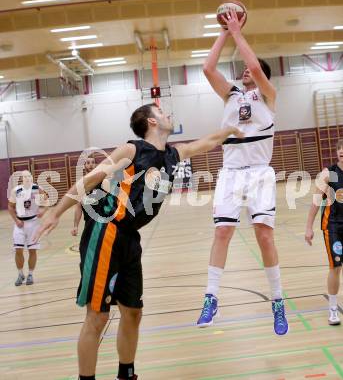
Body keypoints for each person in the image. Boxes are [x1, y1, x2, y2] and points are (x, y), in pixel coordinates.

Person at [34, 103, 243, 380]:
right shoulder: (131, 150)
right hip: (106, 231)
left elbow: (206, 142)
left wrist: (232, 128)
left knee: (133, 312)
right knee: (97, 317)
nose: (168, 114)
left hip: (130, 238)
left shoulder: (171, 154)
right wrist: (55, 211)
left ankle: (127, 374)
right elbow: (91, 178)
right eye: (162, 112)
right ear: (151, 122)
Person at [196, 8, 288, 336]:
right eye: (246, 73)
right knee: (222, 233)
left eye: (252, 72)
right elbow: (207, 68)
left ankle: (277, 300)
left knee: (264, 233)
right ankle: (211, 297)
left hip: (259, 173)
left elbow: (252, 65)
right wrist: (223, 31)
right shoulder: (232, 96)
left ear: (261, 76)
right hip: (231, 172)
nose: (246, 74)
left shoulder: (269, 96)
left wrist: (238, 30)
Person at [305, 139, 343, 326]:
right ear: (336, 153)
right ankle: (333, 309)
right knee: (336, 267)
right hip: (333, 227)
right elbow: (315, 202)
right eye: (339, 149)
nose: (341, 151)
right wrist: (308, 227)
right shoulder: (329, 174)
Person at [8, 170, 47, 286]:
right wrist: (16, 220)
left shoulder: (37, 188)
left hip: (33, 223)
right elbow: (10, 207)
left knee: (32, 250)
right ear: (21, 178)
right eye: (24, 177)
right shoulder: (16, 190)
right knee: (18, 250)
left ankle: (30, 274)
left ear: (31, 177)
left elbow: (47, 201)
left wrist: (43, 210)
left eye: (29, 176)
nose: (27, 178)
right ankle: (20, 274)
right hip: (19, 224)